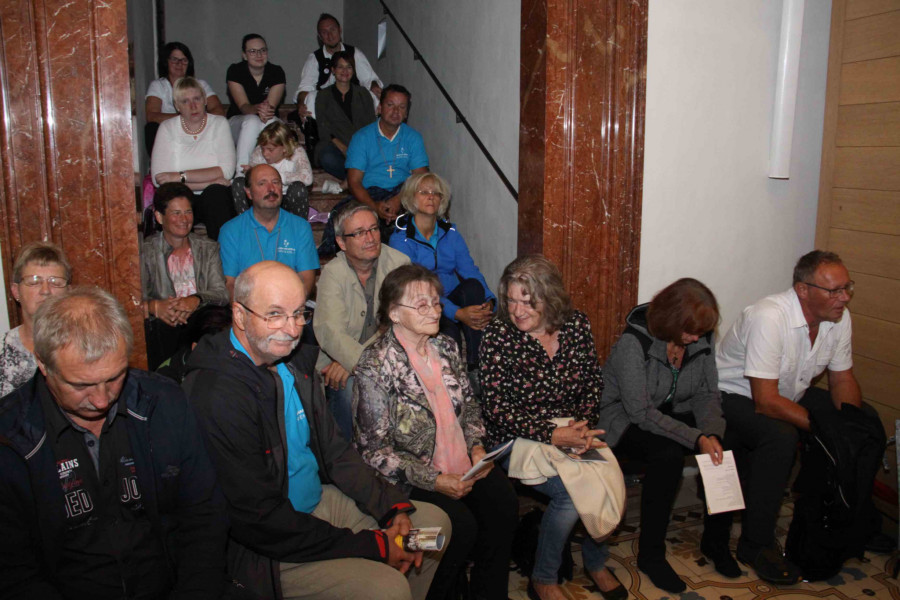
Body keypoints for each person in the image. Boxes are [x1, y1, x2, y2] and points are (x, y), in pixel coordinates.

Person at [183, 261, 451, 600]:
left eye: (298, 314)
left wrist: (390, 506)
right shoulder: (217, 393)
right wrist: (375, 545)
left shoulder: (292, 363)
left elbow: (336, 451)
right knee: (387, 588)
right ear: (239, 314)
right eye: (275, 315)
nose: (292, 329)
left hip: (314, 502)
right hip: (264, 546)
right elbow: (259, 519)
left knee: (432, 525)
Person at [0, 287, 227, 599]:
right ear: (42, 363)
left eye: (114, 378)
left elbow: (204, 515)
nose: (101, 400)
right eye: (81, 384)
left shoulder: (164, 403)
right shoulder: (10, 438)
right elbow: (14, 570)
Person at [712, 250, 888, 583]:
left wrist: (848, 424)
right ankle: (755, 544)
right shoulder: (769, 316)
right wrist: (827, 430)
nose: (844, 298)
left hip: (790, 391)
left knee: (865, 422)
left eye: (847, 288)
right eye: (834, 290)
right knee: (780, 436)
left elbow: (842, 379)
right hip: (733, 396)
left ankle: (853, 520)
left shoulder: (839, 317)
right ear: (803, 290)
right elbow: (766, 401)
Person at [354, 264, 518, 600]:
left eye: (435, 302)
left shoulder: (446, 347)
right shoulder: (375, 365)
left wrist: (476, 446)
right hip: (411, 476)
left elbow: (469, 405)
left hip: (462, 463)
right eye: (421, 305)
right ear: (394, 313)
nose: (434, 311)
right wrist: (435, 480)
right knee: (460, 526)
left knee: (503, 503)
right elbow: (374, 452)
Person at [480, 255, 624, 600]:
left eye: (528, 302)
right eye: (511, 300)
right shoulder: (498, 335)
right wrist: (552, 434)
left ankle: (595, 562)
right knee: (571, 495)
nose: (516, 311)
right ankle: (544, 577)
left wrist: (582, 425)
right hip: (517, 436)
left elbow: (592, 381)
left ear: (550, 298)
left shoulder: (576, 324)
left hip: (570, 428)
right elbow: (496, 408)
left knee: (606, 476)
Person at [598, 278, 734, 592]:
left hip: (670, 408)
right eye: (690, 331)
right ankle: (651, 555)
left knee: (726, 443)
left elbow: (707, 394)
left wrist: (711, 433)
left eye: (701, 331)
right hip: (623, 419)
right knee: (668, 456)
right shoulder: (634, 343)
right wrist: (696, 438)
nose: (696, 338)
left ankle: (716, 542)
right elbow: (641, 412)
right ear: (670, 320)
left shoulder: (699, 338)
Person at [314, 202, 410, 439]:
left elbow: (401, 325)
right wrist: (354, 362)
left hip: (390, 356)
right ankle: (346, 453)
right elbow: (331, 332)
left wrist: (358, 363)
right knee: (348, 388)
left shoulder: (399, 265)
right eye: (359, 233)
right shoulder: (333, 273)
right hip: (340, 359)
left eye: (373, 229)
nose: (370, 238)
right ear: (341, 242)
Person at [390, 173, 495, 369]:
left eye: (436, 193)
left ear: (442, 200)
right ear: (411, 198)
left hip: (452, 298)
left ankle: (477, 365)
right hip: (424, 304)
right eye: (424, 192)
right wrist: (457, 313)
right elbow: (413, 290)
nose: (431, 197)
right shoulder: (401, 239)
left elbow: (469, 270)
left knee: (473, 287)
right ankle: (456, 373)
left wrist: (488, 301)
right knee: (449, 333)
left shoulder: (451, 233)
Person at [141, 182, 229, 370]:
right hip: (164, 323)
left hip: (199, 319)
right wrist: (155, 306)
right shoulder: (146, 251)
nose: (184, 219)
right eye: (176, 213)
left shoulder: (208, 248)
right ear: (159, 217)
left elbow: (221, 293)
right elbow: (131, 300)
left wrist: (196, 299)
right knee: (160, 328)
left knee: (216, 321)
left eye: (188, 212)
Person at [150, 76, 236, 241]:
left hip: (211, 196)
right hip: (180, 197)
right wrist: (209, 181)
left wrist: (178, 177)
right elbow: (159, 179)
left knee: (216, 194)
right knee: (173, 198)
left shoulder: (219, 124)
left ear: (205, 100)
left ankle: (224, 253)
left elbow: (226, 171)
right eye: (185, 101)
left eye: (197, 99)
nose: (193, 106)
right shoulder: (167, 128)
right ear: (177, 106)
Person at [218, 164, 319, 298]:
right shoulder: (230, 231)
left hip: (291, 302)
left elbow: (306, 279)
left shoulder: (300, 227)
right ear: (248, 192)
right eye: (262, 183)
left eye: (276, 182)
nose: (271, 189)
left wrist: (289, 307)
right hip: (248, 305)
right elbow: (229, 283)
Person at [0, 241, 71, 396]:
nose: (45, 291)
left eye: (55, 282)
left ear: (68, 292)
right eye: (34, 282)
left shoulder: (88, 345)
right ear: (16, 291)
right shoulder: (2, 351)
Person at [294, 13, 383, 120]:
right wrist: (301, 104)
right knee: (311, 97)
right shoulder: (315, 58)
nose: (330, 35)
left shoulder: (354, 53)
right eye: (324, 32)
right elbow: (305, 88)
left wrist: (374, 86)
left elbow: (369, 79)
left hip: (353, 104)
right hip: (326, 108)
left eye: (333, 30)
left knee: (370, 96)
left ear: (340, 30)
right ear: (320, 37)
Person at [144, 41, 225, 154]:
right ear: (166, 62)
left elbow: (219, 111)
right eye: (174, 59)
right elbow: (152, 116)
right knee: (151, 128)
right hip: (171, 131)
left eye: (184, 60)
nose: (179, 64)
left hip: (199, 129)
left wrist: (197, 119)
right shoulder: (158, 85)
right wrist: (185, 118)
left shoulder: (200, 84)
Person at [226, 33, 286, 173]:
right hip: (239, 122)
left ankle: (277, 173)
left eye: (262, 50)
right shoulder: (235, 71)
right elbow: (244, 106)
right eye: (253, 51)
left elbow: (269, 108)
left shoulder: (276, 72)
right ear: (244, 55)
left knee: (273, 123)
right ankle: (241, 173)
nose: (259, 55)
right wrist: (258, 108)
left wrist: (263, 110)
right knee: (252, 121)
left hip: (266, 120)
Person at [314, 50, 377, 182]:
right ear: (333, 70)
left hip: (361, 146)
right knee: (327, 157)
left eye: (349, 67)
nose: (345, 71)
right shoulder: (323, 95)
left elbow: (371, 125)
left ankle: (354, 180)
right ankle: (356, 180)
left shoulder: (363, 93)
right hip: (335, 146)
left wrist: (358, 149)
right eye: (340, 67)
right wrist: (343, 148)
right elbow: (323, 128)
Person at [231, 122, 313, 219]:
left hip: (287, 200)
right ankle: (246, 223)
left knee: (298, 188)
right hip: (262, 199)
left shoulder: (296, 152)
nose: (265, 153)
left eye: (270, 150)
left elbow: (307, 178)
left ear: (284, 148)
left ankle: (297, 226)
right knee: (239, 182)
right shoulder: (258, 152)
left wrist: (277, 178)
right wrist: (250, 173)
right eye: (263, 149)